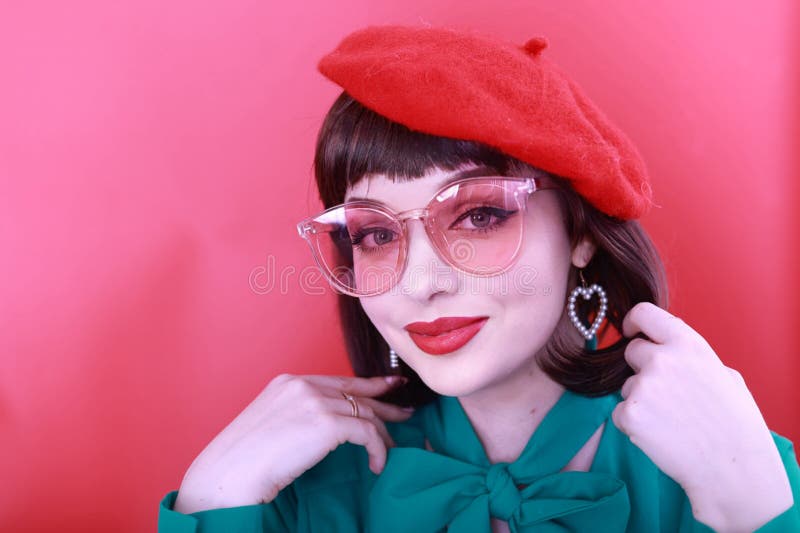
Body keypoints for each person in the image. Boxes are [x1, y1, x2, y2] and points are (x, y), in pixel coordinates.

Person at [157, 24, 800, 532]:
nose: (418, 282)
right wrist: (214, 497)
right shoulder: (292, 493)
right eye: (376, 234)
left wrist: (758, 514)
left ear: (579, 232)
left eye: (479, 215)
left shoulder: (738, 469)